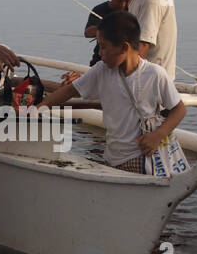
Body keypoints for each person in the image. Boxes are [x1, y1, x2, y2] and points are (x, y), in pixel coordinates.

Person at [44, 11, 187, 174]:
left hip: (140, 156)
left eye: (104, 47)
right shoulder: (101, 70)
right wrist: (41, 106)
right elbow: (70, 90)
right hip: (112, 157)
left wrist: (158, 135)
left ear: (124, 47)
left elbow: (179, 109)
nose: (100, 53)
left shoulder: (154, 74)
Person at [84, 0, 131, 68]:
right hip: (100, 59)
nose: (123, 5)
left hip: (124, 60)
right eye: (120, 1)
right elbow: (88, 33)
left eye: (126, 1)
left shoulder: (132, 8)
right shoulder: (100, 9)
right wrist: (108, 27)